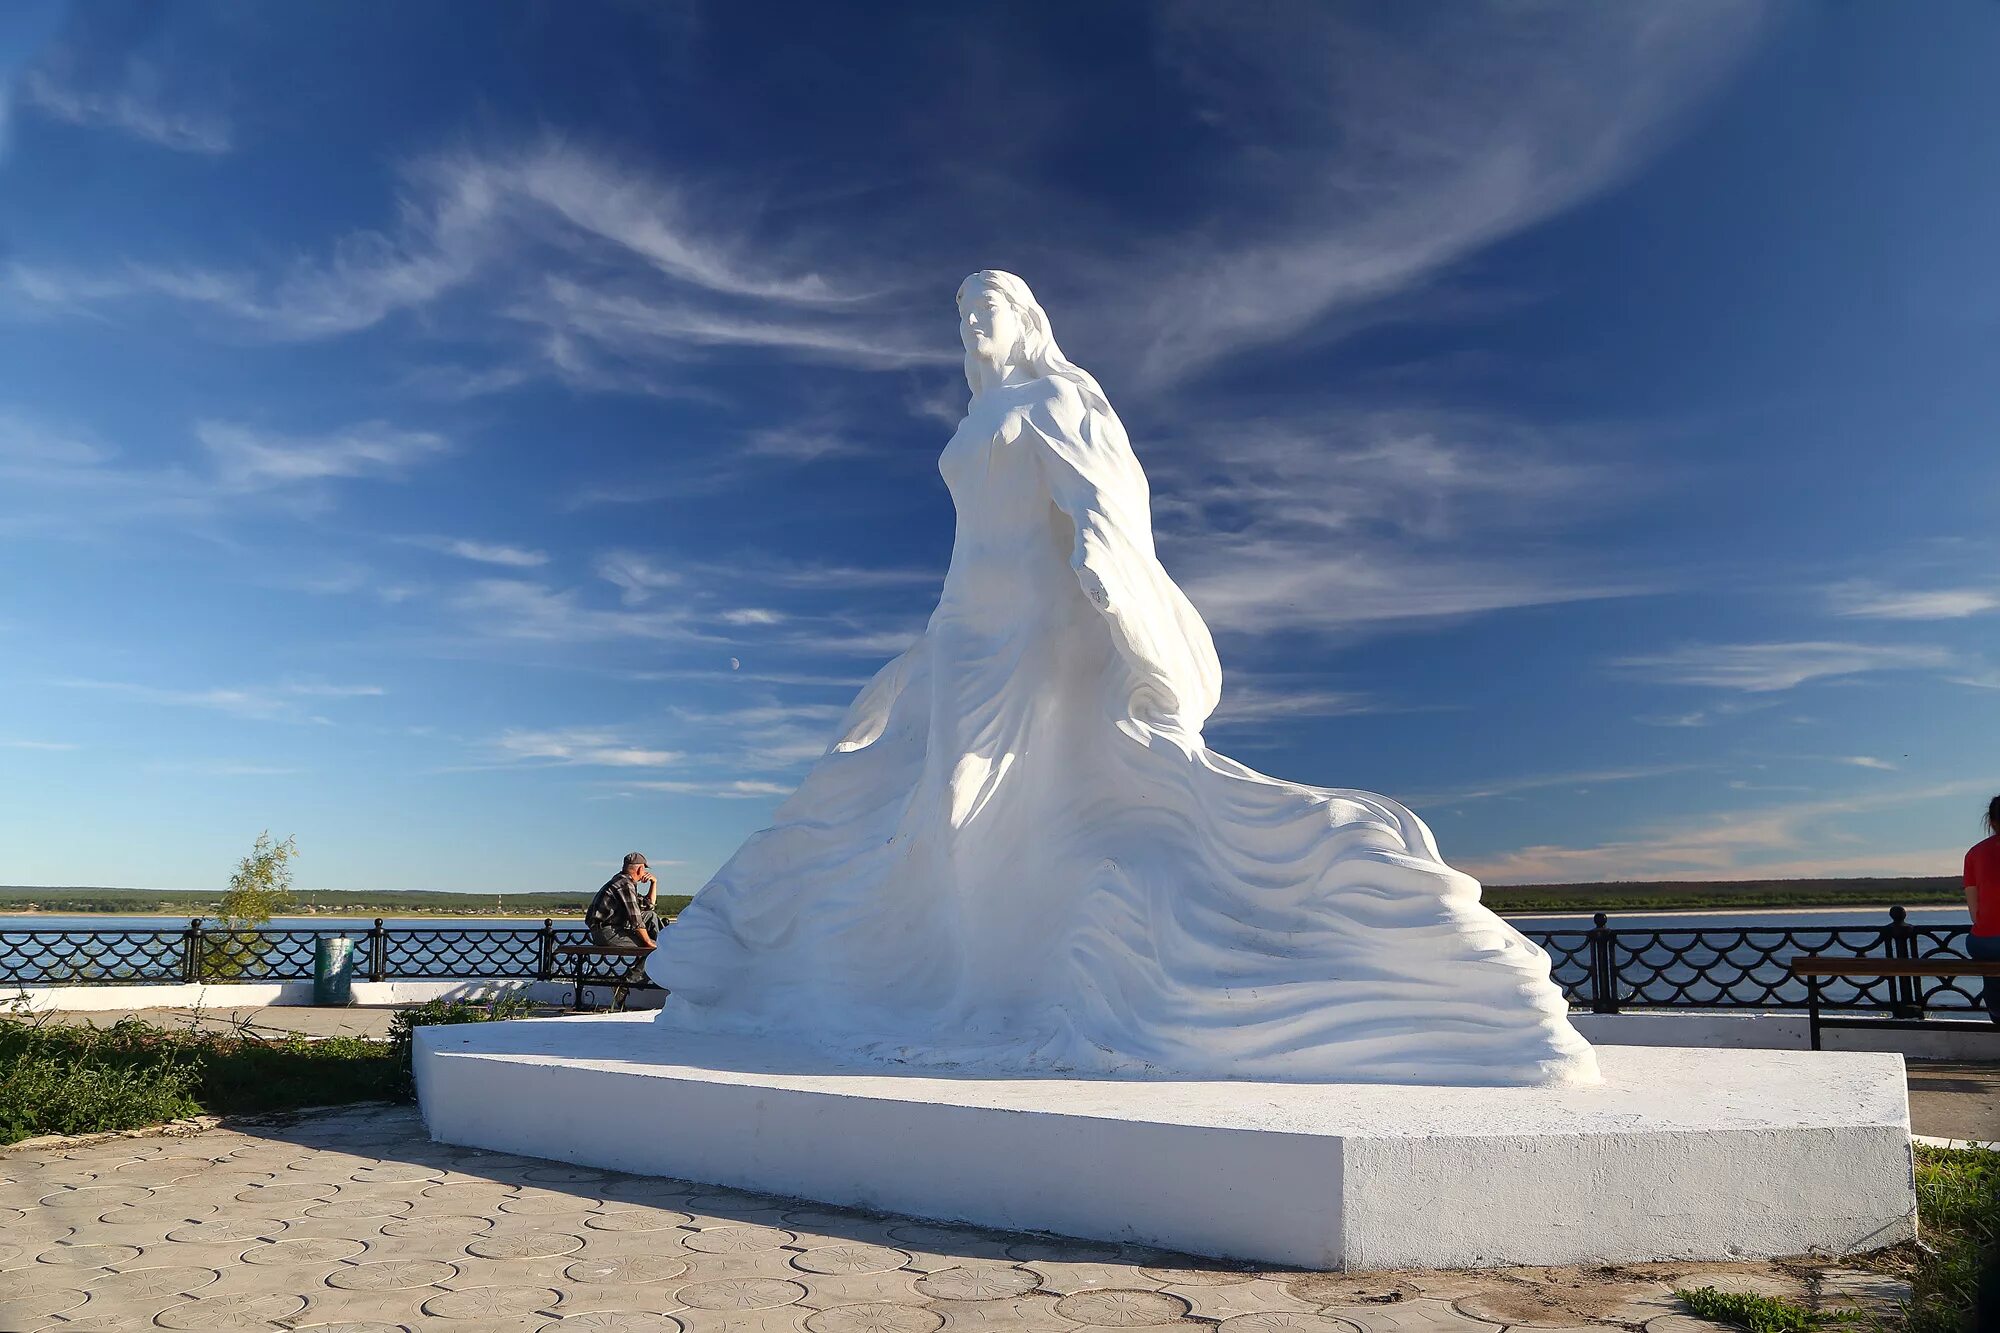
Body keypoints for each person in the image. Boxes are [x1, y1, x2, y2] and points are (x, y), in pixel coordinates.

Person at [587, 853, 661, 960]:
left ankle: (665, 943)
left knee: (650, 916)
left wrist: (653, 883)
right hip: (606, 933)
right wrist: (649, 942)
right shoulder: (625, 885)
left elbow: (648, 905)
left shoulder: (622, 881)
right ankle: (635, 977)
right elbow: (636, 920)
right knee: (654, 948)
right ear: (640, 869)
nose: (645, 873)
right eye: (644, 869)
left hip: (608, 930)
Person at [1966, 796, 2000, 1023]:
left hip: (1983, 940)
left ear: (1991, 821)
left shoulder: (1974, 854)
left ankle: (1997, 1011)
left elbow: (1974, 911)